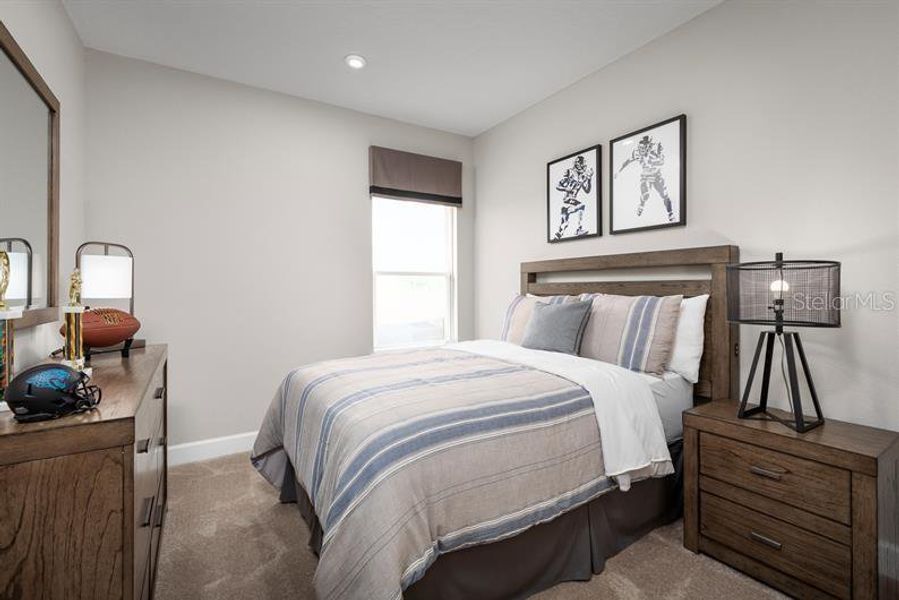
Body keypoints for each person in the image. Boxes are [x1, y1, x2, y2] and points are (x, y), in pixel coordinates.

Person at [615, 135, 675, 222]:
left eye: (643, 148)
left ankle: (670, 213)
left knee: (665, 195)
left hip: (656, 176)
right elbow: (628, 161)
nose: (641, 150)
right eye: (640, 148)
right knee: (646, 194)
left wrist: (659, 154)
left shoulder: (654, 154)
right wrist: (619, 171)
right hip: (646, 176)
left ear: (648, 147)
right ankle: (641, 204)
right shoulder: (637, 153)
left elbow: (661, 163)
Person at [553, 155, 594, 240]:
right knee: (581, 206)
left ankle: (559, 234)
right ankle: (579, 229)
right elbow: (558, 186)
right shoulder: (570, 172)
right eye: (581, 164)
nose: (583, 166)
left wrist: (589, 179)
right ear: (578, 164)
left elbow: (587, 190)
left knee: (564, 225)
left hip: (572, 201)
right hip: (566, 200)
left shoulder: (582, 177)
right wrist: (566, 188)